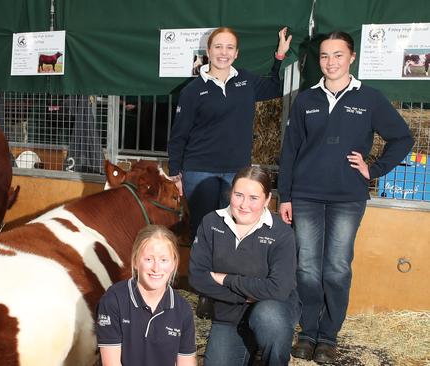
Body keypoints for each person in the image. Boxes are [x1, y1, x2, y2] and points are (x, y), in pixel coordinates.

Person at [278, 31, 414, 364]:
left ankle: (328, 336)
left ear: (351, 57)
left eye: (338, 55)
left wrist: (374, 168)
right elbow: (290, 150)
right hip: (306, 195)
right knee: (307, 269)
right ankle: (308, 332)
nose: (331, 62)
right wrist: (285, 196)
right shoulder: (306, 99)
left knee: (336, 269)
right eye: (324, 56)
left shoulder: (369, 98)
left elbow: (403, 138)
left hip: (347, 197)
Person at [168, 26, 292, 239]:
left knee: (231, 231)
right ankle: (202, 273)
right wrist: (174, 172)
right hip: (199, 171)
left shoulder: (246, 81)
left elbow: (273, 87)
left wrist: (279, 56)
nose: (223, 53)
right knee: (203, 231)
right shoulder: (192, 90)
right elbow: (179, 134)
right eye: (218, 47)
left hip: (236, 173)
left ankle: (225, 273)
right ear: (208, 51)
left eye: (229, 47)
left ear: (236, 53)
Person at [189, 166, 300, 366]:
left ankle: (270, 353)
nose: (244, 205)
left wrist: (226, 279)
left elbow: (279, 288)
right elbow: (198, 278)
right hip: (229, 313)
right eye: (238, 195)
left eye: (253, 198)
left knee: (269, 319)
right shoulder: (211, 223)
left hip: (272, 309)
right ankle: (251, 347)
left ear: (267, 200)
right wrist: (247, 295)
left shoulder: (281, 233)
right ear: (230, 193)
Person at [96, 225, 197, 366]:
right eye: (148, 259)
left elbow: (186, 362)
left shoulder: (183, 309)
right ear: (135, 261)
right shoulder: (113, 300)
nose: (156, 268)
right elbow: (111, 363)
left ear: (174, 263)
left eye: (164, 260)